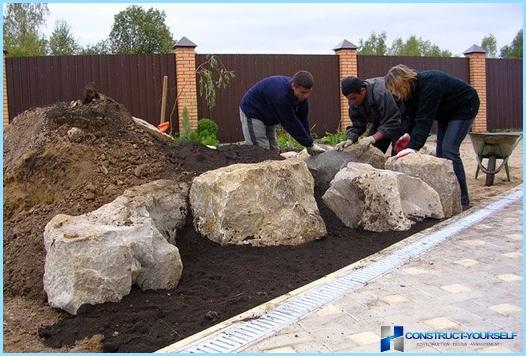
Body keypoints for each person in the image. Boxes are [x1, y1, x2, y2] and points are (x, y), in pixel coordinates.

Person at [384, 64, 480, 207]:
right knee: (441, 153)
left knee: (449, 150)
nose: (396, 94)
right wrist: (406, 135)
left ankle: (462, 198)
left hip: (464, 106)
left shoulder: (430, 83)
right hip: (445, 112)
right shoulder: (408, 93)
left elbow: (424, 120)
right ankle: (449, 194)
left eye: (396, 90)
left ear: (403, 82)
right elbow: (410, 118)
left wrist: (413, 147)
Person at [240, 70, 326, 155]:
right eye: (303, 92)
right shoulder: (282, 97)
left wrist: (310, 143)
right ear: (293, 86)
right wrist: (308, 144)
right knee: (260, 150)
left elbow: (303, 121)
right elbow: (291, 124)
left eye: (308, 92)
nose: (306, 96)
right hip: (253, 111)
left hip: (269, 113)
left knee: (273, 149)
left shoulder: (302, 98)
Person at [335, 76, 403, 154]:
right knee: (371, 152)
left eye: (353, 98)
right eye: (348, 99)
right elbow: (358, 125)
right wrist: (350, 139)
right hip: (379, 121)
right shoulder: (355, 102)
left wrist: (373, 138)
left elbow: (393, 121)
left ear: (362, 91)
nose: (351, 103)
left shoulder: (380, 92)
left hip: (401, 118)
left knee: (398, 154)